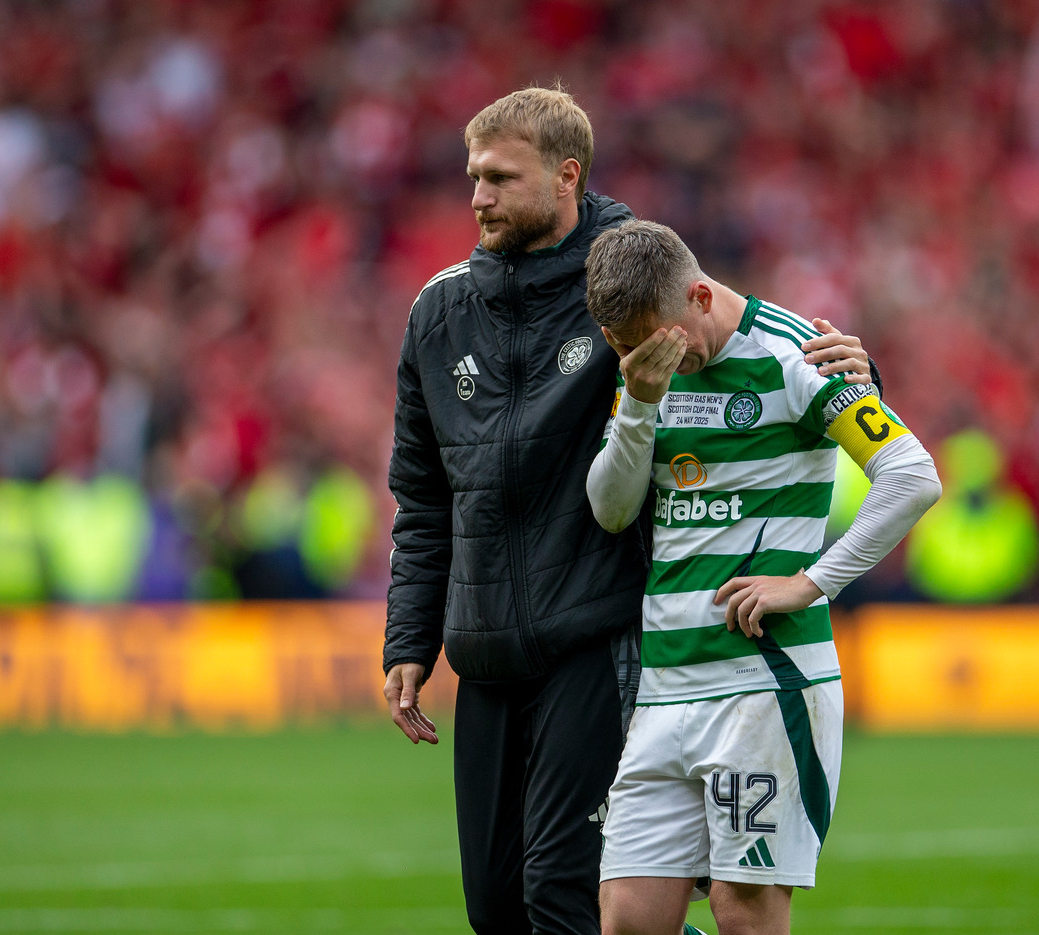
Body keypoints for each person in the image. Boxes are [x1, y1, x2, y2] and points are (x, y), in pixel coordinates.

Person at [382, 87, 875, 935]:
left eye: (500, 178)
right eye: (473, 178)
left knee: (566, 896)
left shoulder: (627, 281)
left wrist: (854, 372)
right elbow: (424, 495)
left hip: (601, 630)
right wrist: (409, 637)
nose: (478, 197)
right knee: (498, 910)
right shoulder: (439, 311)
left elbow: (745, 334)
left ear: (566, 176)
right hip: (486, 639)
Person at [584, 220, 941, 935]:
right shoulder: (642, 372)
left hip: (766, 686)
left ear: (698, 295)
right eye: (622, 347)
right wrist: (640, 402)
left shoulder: (796, 354)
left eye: (653, 342)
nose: (643, 358)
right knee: (629, 920)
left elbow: (911, 475)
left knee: (742, 912)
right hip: (664, 687)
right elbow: (612, 510)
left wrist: (811, 582)